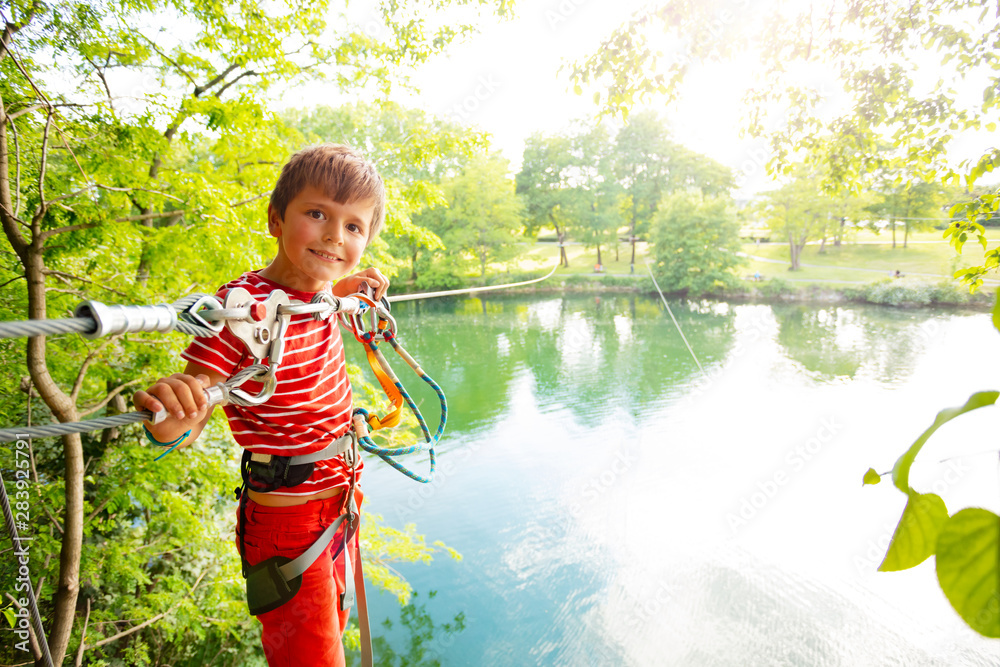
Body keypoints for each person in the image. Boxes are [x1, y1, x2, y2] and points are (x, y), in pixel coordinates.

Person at [133, 144, 389, 667]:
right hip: (289, 525)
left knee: (330, 634)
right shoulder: (240, 313)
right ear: (276, 219)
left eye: (354, 227)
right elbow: (192, 412)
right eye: (316, 214)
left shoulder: (322, 299)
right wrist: (172, 418)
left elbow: (309, 301)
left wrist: (349, 290)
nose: (334, 236)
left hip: (338, 505)